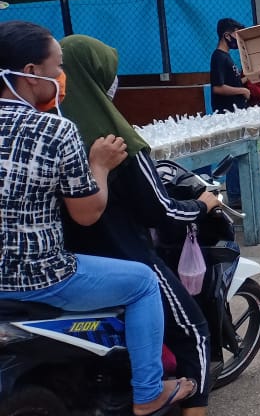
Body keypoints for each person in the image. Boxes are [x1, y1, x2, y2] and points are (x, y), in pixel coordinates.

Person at [0, 21, 196, 415]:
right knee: (142, 282)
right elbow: (87, 213)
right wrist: (100, 166)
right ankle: (148, 392)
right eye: (56, 68)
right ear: (31, 72)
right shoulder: (54, 129)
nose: (61, 77)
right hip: (39, 278)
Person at [59, 35, 218, 416]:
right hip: (122, 255)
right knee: (193, 330)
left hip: (63, 260)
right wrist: (201, 205)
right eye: (110, 74)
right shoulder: (117, 141)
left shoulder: (50, 135)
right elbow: (160, 211)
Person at [208, 18, 250, 208]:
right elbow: (218, 88)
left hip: (236, 113)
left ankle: (238, 192)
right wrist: (242, 91)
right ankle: (234, 195)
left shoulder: (227, 57)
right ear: (226, 35)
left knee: (238, 153)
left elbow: (233, 82)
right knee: (232, 155)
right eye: (235, 34)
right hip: (226, 115)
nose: (237, 38)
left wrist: (247, 79)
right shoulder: (218, 56)